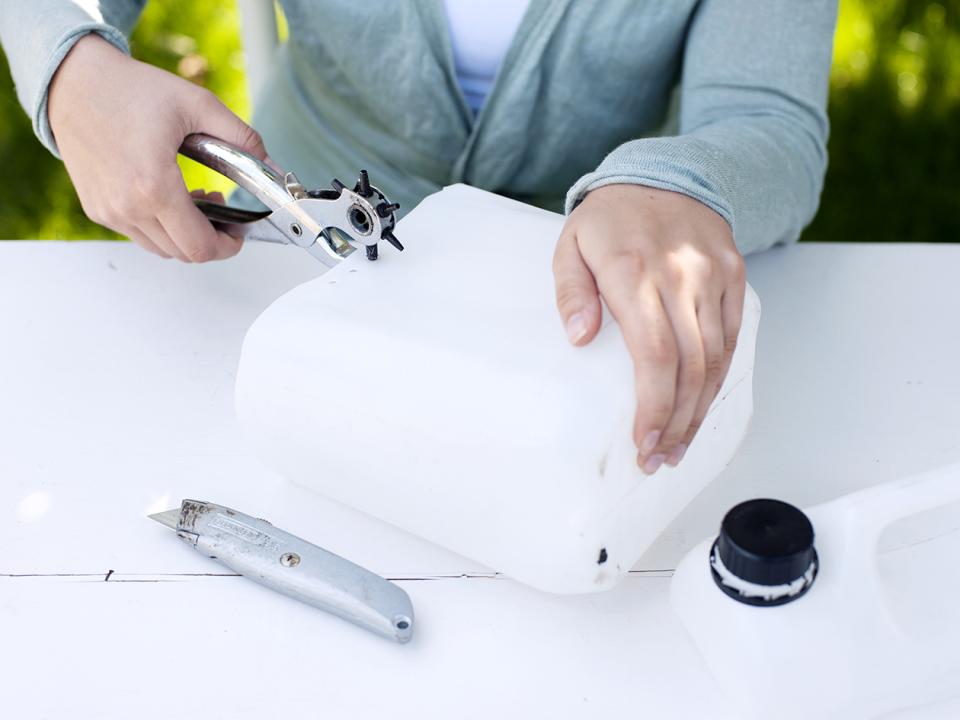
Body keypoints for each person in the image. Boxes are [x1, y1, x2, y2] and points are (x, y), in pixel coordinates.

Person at [0, 1, 838, 474]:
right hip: (291, 275)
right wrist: (70, 65)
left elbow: (769, 121)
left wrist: (679, 183)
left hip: (596, 301)